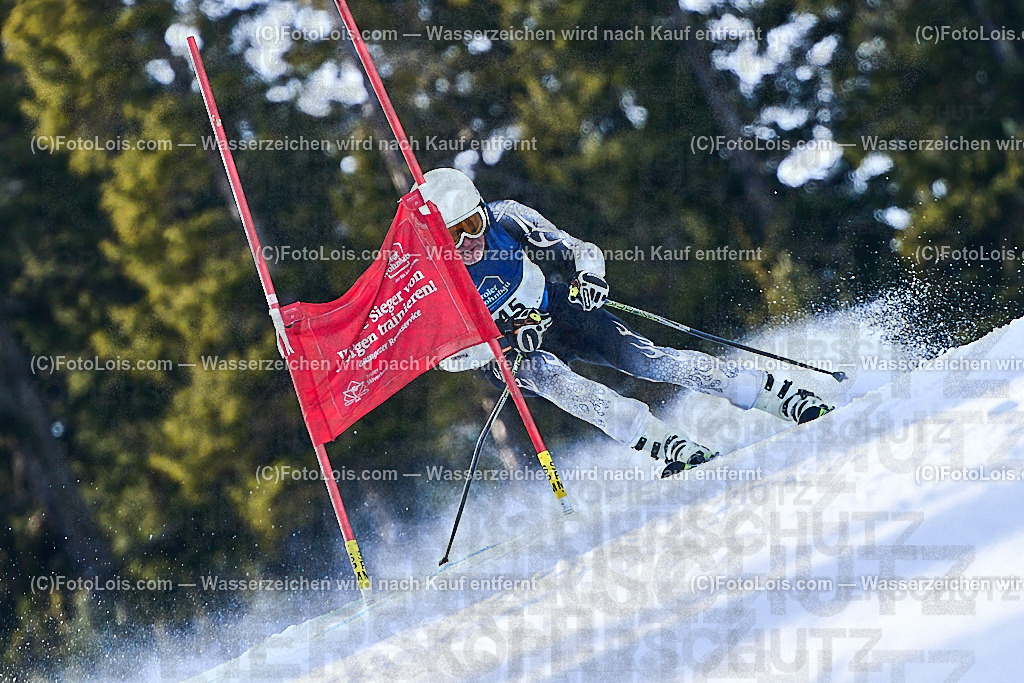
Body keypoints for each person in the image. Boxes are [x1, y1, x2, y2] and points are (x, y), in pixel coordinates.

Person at [420, 168, 832, 477]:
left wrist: (590, 276)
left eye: (472, 225)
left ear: (482, 212)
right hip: (510, 353)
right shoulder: (433, 279)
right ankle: (667, 445)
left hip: (556, 310)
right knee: (558, 382)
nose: (468, 242)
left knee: (648, 360)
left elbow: (579, 249)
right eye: (453, 235)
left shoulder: (507, 218)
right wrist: (498, 343)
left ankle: (778, 396)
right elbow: (446, 357)